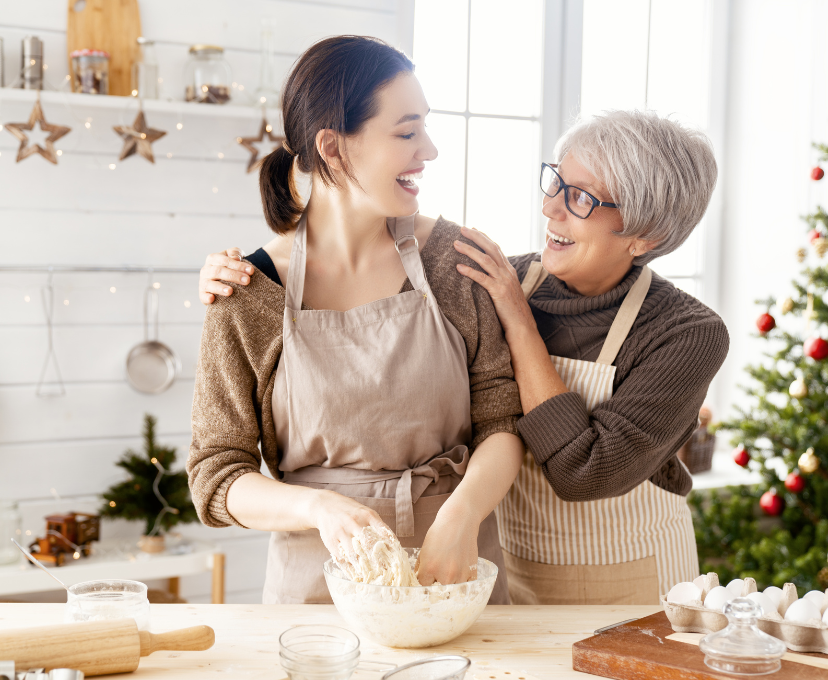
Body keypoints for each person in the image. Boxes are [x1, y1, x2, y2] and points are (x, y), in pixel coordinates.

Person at [199, 109, 728, 606]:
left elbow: (583, 471)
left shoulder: (687, 334)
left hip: (629, 579)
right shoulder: (494, 275)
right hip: (502, 567)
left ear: (646, 235)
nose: (551, 209)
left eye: (582, 198)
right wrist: (241, 276)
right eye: (555, 183)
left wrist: (518, 319)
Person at [187, 35, 524, 606]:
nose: (430, 150)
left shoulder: (452, 262)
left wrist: (461, 514)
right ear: (334, 148)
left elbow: (503, 424)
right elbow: (217, 475)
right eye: (407, 132)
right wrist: (315, 507)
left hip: (457, 580)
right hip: (318, 597)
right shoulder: (249, 292)